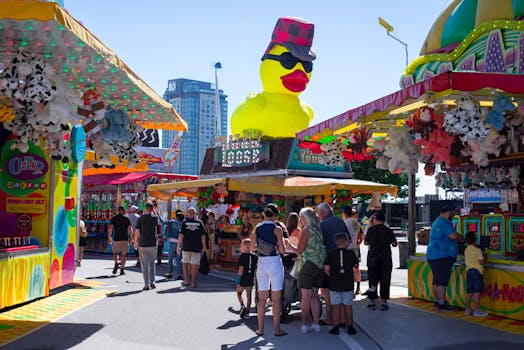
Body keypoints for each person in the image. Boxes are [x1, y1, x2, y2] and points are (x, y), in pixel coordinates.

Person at [285, 207, 326, 334]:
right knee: (315, 295)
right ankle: (316, 323)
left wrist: (288, 245)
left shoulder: (306, 231)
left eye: (301, 217)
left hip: (307, 265)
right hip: (319, 265)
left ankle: (304, 325)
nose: (300, 220)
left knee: (306, 296)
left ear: (306, 218)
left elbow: (299, 251)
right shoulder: (318, 230)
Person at [249, 207, 287, 337]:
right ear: (274, 217)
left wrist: (260, 248)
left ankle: (260, 329)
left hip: (262, 263)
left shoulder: (257, 229)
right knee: (276, 299)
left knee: (262, 298)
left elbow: (251, 248)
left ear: (263, 217)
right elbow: (282, 250)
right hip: (275, 262)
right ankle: (277, 329)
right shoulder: (277, 229)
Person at [426, 205, 463, 311]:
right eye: (452, 214)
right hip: (442, 255)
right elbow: (453, 236)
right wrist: (462, 239)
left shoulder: (437, 221)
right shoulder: (445, 222)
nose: (453, 216)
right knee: (442, 281)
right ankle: (442, 303)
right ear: (448, 212)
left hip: (433, 255)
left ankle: (438, 302)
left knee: (436, 280)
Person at [317, 202, 349, 325]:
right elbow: (349, 239)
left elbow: (320, 243)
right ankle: (342, 318)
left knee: (328, 290)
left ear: (323, 213)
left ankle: (330, 317)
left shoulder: (323, 224)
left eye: (319, 213)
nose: (318, 215)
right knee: (341, 289)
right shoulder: (340, 221)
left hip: (329, 260)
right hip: (343, 259)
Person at [324, 232, 358, 335]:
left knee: (336, 306)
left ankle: (336, 327)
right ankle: (350, 326)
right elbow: (356, 266)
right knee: (348, 305)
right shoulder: (351, 253)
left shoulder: (331, 254)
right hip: (348, 284)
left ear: (336, 243)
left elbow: (326, 269)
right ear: (347, 242)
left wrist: (333, 277)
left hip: (335, 284)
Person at [363, 212, 397, 310]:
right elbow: (394, 244)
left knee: (373, 279)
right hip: (385, 258)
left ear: (375, 220)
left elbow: (365, 242)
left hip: (373, 258)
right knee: (385, 280)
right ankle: (384, 302)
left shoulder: (371, 230)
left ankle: (372, 302)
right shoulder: (388, 230)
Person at [177, 207, 207, 288]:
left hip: (186, 247)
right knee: (195, 265)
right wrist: (204, 247)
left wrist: (178, 245)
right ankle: (193, 282)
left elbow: (181, 235)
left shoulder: (185, 223)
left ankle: (186, 280)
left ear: (187, 213)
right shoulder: (199, 222)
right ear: (194, 214)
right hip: (196, 247)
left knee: (185, 263)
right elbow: (203, 236)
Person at [134, 203, 159, 290]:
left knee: (144, 265)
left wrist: (135, 242)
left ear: (145, 209)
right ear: (152, 209)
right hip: (152, 243)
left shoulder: (141, 218)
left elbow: (137, 231)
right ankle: (152, 282)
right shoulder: (155, 218)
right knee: (152, 264)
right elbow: (158, 229)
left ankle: (146, 284)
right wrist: (154, 211)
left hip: (143, 243)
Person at [464, 231, 488, 317]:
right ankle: (477, 310)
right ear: (475, 240)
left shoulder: (466, 250)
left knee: (469, 291)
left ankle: (467, 309)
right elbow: (481, 262)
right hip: (477, 272)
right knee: (477, 291)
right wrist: (485, 256)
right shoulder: (478, 250)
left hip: (469, 271)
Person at [108, 206, 133, 275]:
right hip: (125, 239)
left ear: (118, 211)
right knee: (124, 255)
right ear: (124, 211)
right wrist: (132, 238)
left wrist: (109, 237)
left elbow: (110, 228)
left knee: (115, 253)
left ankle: (116, 263)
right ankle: (122, 269)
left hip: (116, 239)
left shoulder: (114, 218)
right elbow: (130, 229)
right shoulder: (127, 219)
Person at [236, 238, 258, 319]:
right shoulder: (255, 257)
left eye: (241, 246)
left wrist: (238, 280)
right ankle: (247, 312)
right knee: (249, 295)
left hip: (243, 278)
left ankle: (242, 305)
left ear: (245, 247)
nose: (240, 248)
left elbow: (241, 270)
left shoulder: (241, 257)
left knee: (239, 292)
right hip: (250, 278)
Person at [163, 213, 184, 280]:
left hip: (172, 242)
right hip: (180, 243)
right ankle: (179, 274)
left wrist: (157, 213)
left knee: (170, 258)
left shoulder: (172, 222)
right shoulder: (183, 224)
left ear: (177, 217)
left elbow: (163, 222)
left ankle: (170, 273)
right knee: (179, 259)